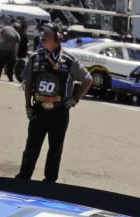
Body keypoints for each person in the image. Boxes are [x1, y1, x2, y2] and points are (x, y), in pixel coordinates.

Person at [15, 25, 90, 183]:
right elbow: (28, 82)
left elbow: (88, 79)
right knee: (31, 147)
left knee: (55, 149)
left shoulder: (69, 61)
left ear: (58, 38)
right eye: (43, 33)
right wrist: (27, 105)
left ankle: (50, 182)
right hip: (38, 110)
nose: (43, 37)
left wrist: (75, 98)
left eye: (47, 34)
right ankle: (23, 179)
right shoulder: (35, 58)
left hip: (59, 111)